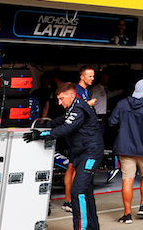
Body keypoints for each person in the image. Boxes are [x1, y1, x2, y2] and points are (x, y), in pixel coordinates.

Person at [24, 81, 103, 230]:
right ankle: (93, 227)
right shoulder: (73, 107)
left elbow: (66, 128)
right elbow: (59, 121)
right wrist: (43, 126)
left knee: (77, 191)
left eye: (61, 99)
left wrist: (41, 135)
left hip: (91, 153)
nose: (59, 103)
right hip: (81, 153)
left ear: (71, 95)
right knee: (85, 192)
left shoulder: (79, 108)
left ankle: (81, 228)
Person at [109, 79, 143, 223]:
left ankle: (127, 214)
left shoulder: (122, 104)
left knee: (127, 180)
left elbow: (112, 122)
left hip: (125, 148)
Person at [61, 67, 99, 207]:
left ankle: (69, 199)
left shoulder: (85, 91)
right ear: (82, 77)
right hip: (75, 135)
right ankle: (68, 200)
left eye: (93, 76)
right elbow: (73, 109)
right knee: (73, 167)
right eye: (90, 76)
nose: (92, 79)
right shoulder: (76, 90)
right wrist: (88, 105)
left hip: (80, 134)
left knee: (74, 167)